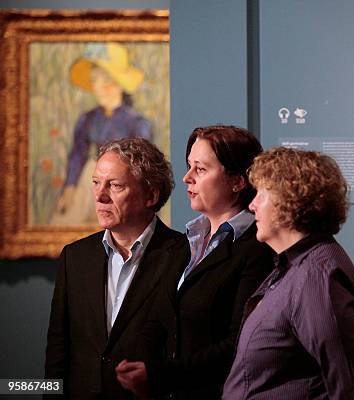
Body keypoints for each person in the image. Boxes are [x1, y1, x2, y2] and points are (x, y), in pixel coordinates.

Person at [115, 126, 275, 399]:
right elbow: (161, 317)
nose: (187, 178)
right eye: (189, 166)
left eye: (200, 169)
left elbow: (238, 343)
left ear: (237, 181)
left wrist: (161, 375)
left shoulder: (257, 250)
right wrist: (138, 366)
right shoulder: (187, 242)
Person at [222, 147, 354, 400]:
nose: (252, 205)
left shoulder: (316, 278)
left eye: (261, 194)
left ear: (288, 199)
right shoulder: (294, 267)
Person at [45, 138, 183, 399]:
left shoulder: (183, 256)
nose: (99, 195)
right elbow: (57, 355)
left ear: (151, 195)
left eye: (115, 185)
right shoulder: (74, 257)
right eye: (96, 183)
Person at [52, 42, 153, 225]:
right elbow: (77, 154)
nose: (100, 87)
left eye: (106, 80)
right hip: (91, 180)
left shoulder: (136, 123)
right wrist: (70, 187)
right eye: (95, 80)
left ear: (120, 85)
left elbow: (143, 165)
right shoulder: (87, 119)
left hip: (125, 184)